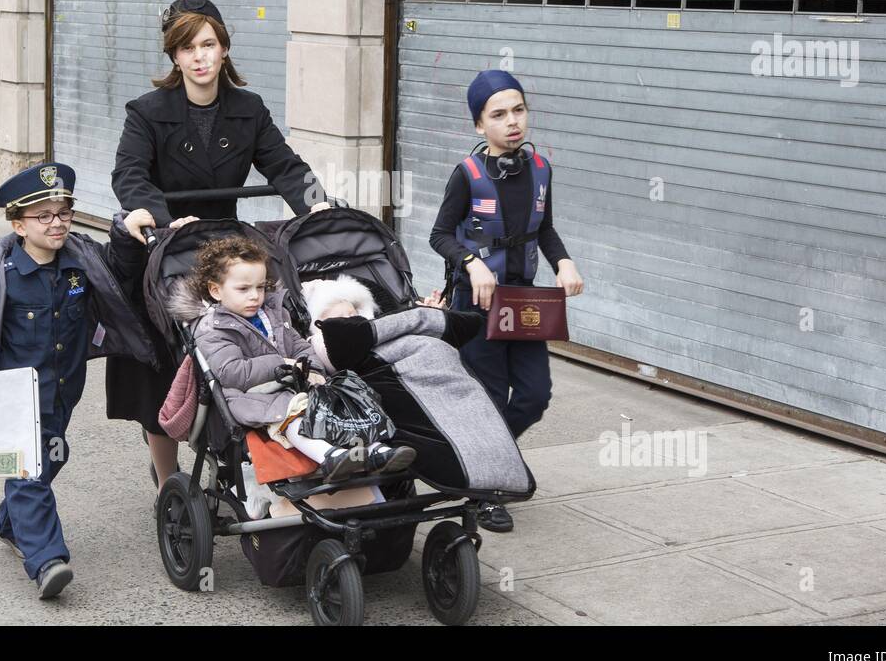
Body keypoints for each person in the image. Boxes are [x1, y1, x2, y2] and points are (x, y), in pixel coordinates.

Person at [109, 0, 329, 493]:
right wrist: (164, 219)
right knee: (164, 365)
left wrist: (317, 206)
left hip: (225, 249)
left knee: (256, 339)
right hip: (166, 249)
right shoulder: (146, 112)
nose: (199, 56)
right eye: (187, 48)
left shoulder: (247, 110)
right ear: (175, 57)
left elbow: (286, 167)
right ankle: (168, 479)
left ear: (224, 48)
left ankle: (258, 453)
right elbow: (130, 175)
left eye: (208, 44)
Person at [0, 162, 157, 598]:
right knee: (30, 470)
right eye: (44, 216)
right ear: (18, 224)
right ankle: (47, 561)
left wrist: (124, 230)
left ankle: (11, 520)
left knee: (52, 457)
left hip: (63, 389)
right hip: (14, 394)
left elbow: (121, 270)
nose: (57, 223)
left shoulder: (82, 261)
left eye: (63, 212)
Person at [430, 69, 585, 532]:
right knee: (491, 396)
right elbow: (439, 234)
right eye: (498, 114)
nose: (512, 121)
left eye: (518, 110)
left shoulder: (541, 169)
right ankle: (484, 490)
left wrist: (565, 262)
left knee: (536, 395)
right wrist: (473, 262)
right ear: (480, 126)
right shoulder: (467, 174)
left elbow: (546, 228)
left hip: (523, 305)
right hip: (476, 306)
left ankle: (497, 458)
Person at [169, 236, 414, 480]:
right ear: (216, 290)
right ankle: (329, 456)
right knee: (294, 416)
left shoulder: (273, 313)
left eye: (260, 287)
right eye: (243, 289)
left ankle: (374, 450)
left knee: (339, 405)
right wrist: (280, 364)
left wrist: (314, 368)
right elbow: (231, 372)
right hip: (251, 396)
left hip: (293, 383)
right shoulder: (213, 328)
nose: (255, 296)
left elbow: (298, 346)